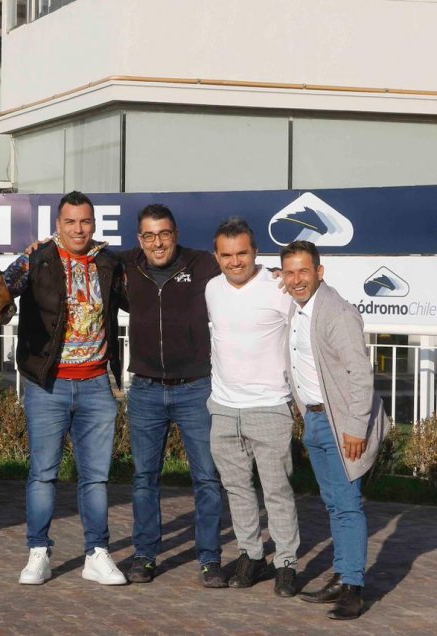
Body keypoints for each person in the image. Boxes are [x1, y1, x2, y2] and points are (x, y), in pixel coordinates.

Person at [5, 191, 129, 586]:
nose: (79, 229)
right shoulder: (37, 259)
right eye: (71, 222)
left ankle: (97, 554)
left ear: (94, 224)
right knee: (43, 474)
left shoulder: (110, 262)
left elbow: (141, 298)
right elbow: (2, 290)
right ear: (58, 225)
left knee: (96, 477)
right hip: (49, 385)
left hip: (96, 385)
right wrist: (23, 259)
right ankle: (38, 552)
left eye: (86, 222)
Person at [281, 240, 391, 620]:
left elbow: (360, 374)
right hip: (314, 419)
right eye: (290, 272)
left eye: (303, 271)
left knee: (347, 506)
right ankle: (343, 576)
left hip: (341, 422)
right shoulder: (296, 310)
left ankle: (354, 590)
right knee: (333, 505)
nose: (296, 279)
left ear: (319, 272)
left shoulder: (336, 312)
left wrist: (356, 427)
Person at [121, 204, 226, 587]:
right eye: (149, 235)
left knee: (207, 478)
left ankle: (210, 559)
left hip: (196, 388)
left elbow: (241, 272)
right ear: (139, 240)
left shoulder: (202, 264)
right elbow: (83, 253)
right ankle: (145, 555)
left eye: (164, 233)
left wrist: (274, 276)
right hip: (146, 390)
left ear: (176, 233)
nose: (157, 242)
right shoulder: (127, 265)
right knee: (144, 478)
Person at [205, 217, 299, 597]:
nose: (235, 261)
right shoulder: (211, 289)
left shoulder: (279, 288)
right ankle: (251, 554)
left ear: (255, 252)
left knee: (277, 490)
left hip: (270, 407)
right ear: (217, 256)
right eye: (227, 255)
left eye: (242, 253)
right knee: (237, 488)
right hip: (224, 408)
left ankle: (287, 562)